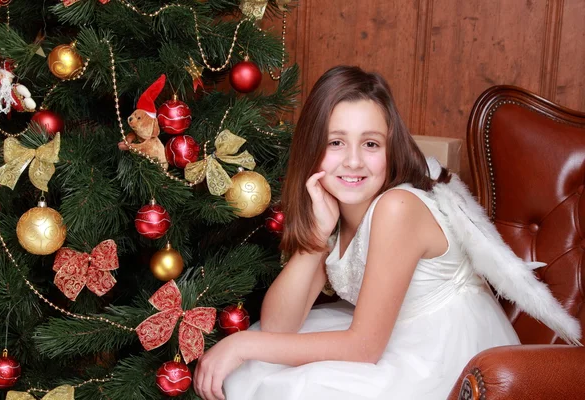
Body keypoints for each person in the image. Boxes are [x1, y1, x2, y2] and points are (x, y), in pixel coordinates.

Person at [193, 66, 581, 400]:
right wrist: (316, 239)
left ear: (391, 148)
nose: (354, 161)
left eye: (371, 143)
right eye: (336, 142)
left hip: (445, 351)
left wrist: (242, 341)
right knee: (255, 368)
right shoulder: (338, 209)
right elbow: (279, 326)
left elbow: (363, 347)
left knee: (294, 385)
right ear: (313, 149)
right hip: (387, 336)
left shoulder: (397, 208)